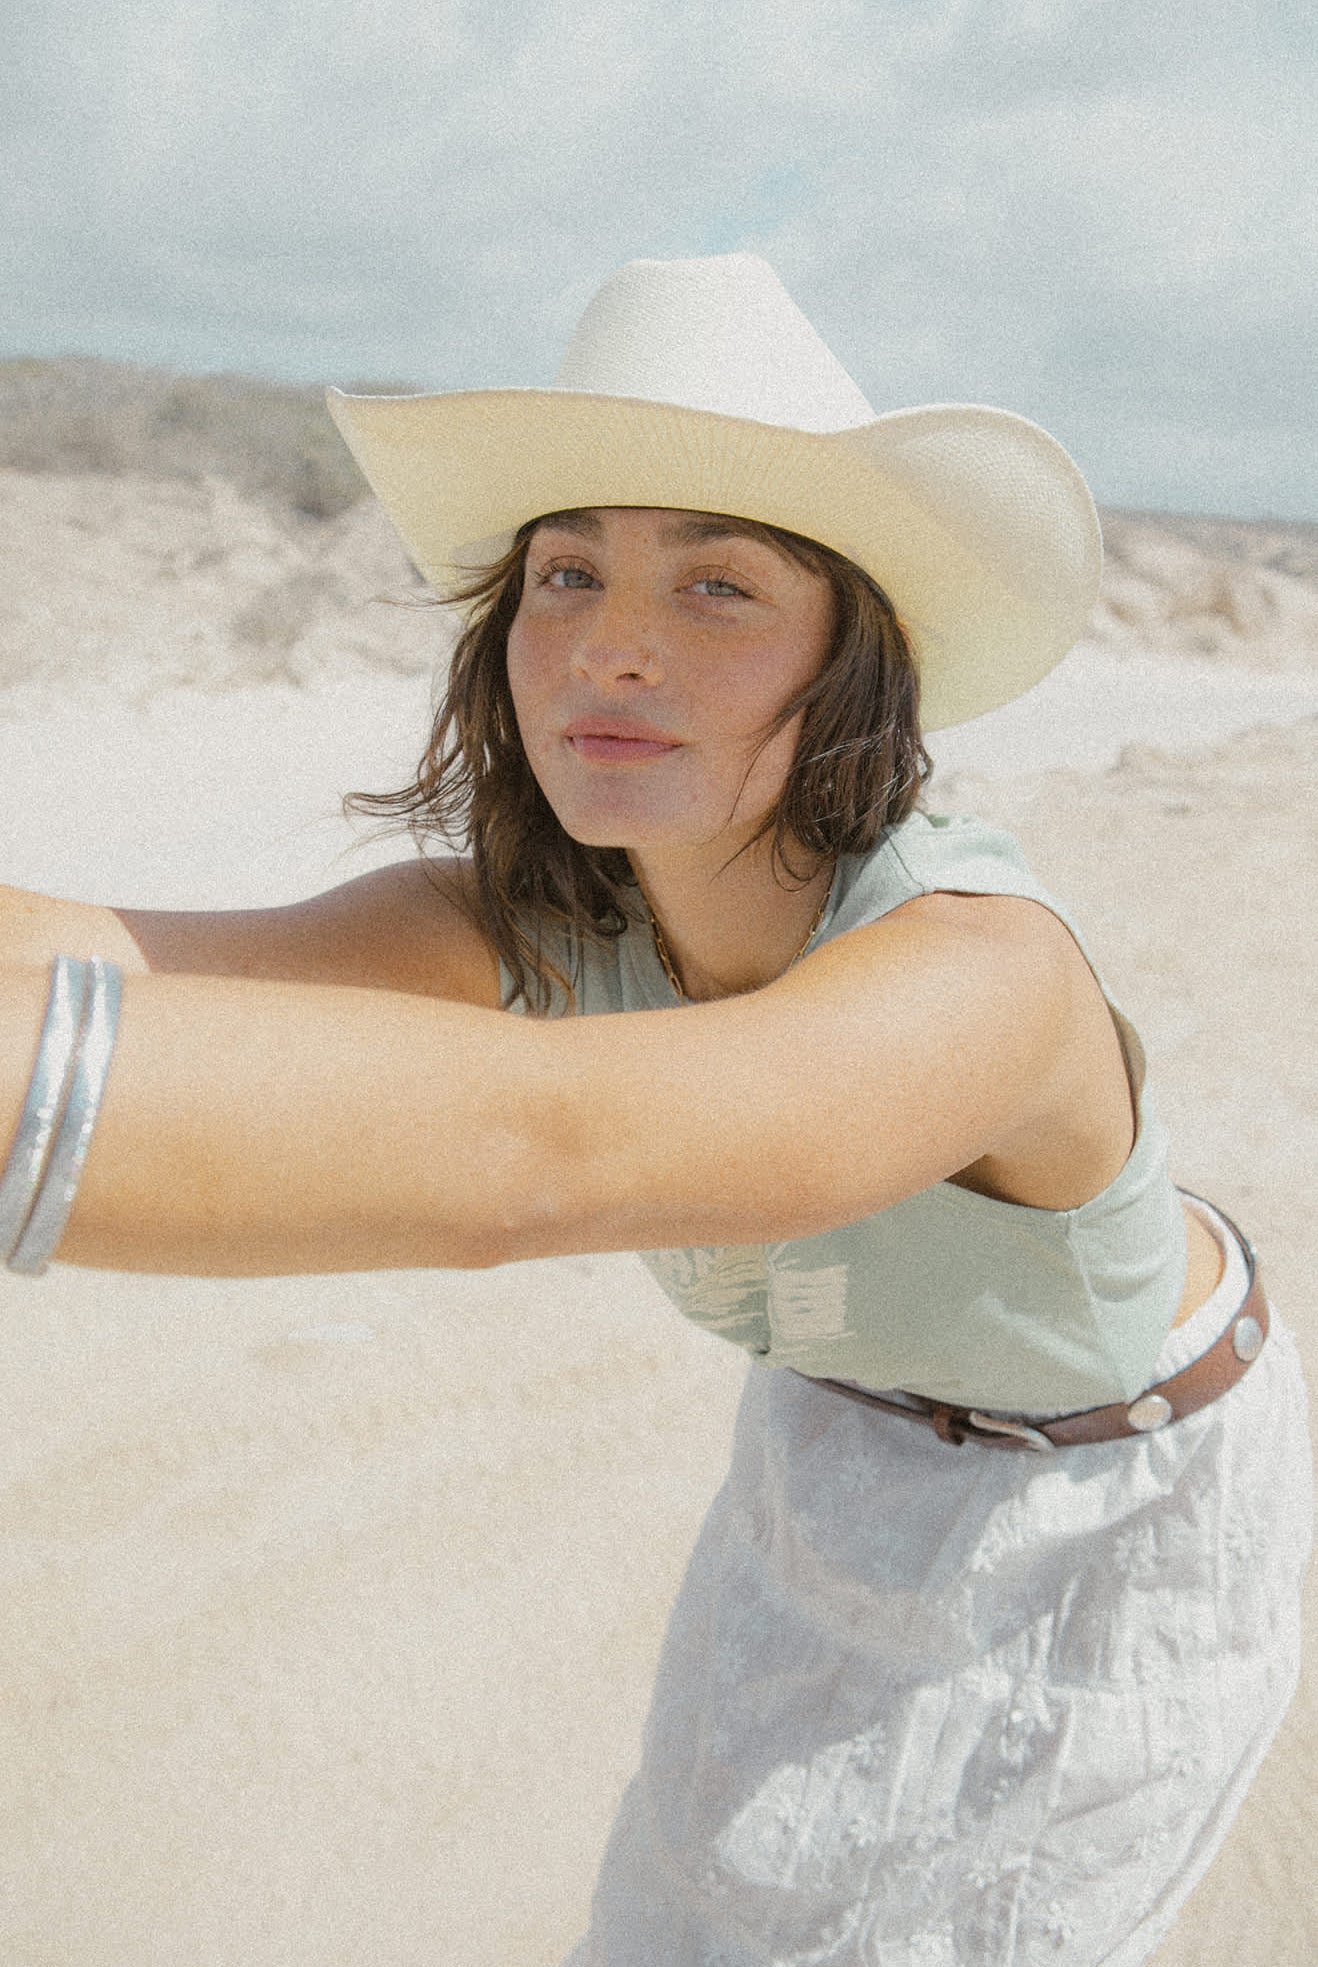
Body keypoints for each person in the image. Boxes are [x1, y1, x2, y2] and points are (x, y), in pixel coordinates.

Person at [0, 254, 1310, 1963]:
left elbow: (537, 1156)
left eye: (717, 587)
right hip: (835, 1427)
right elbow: (106, 955)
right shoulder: (529, 927)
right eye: (566, 573)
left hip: (1104, 1504)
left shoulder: (981, 978)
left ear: (853, 665)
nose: (609, 646)